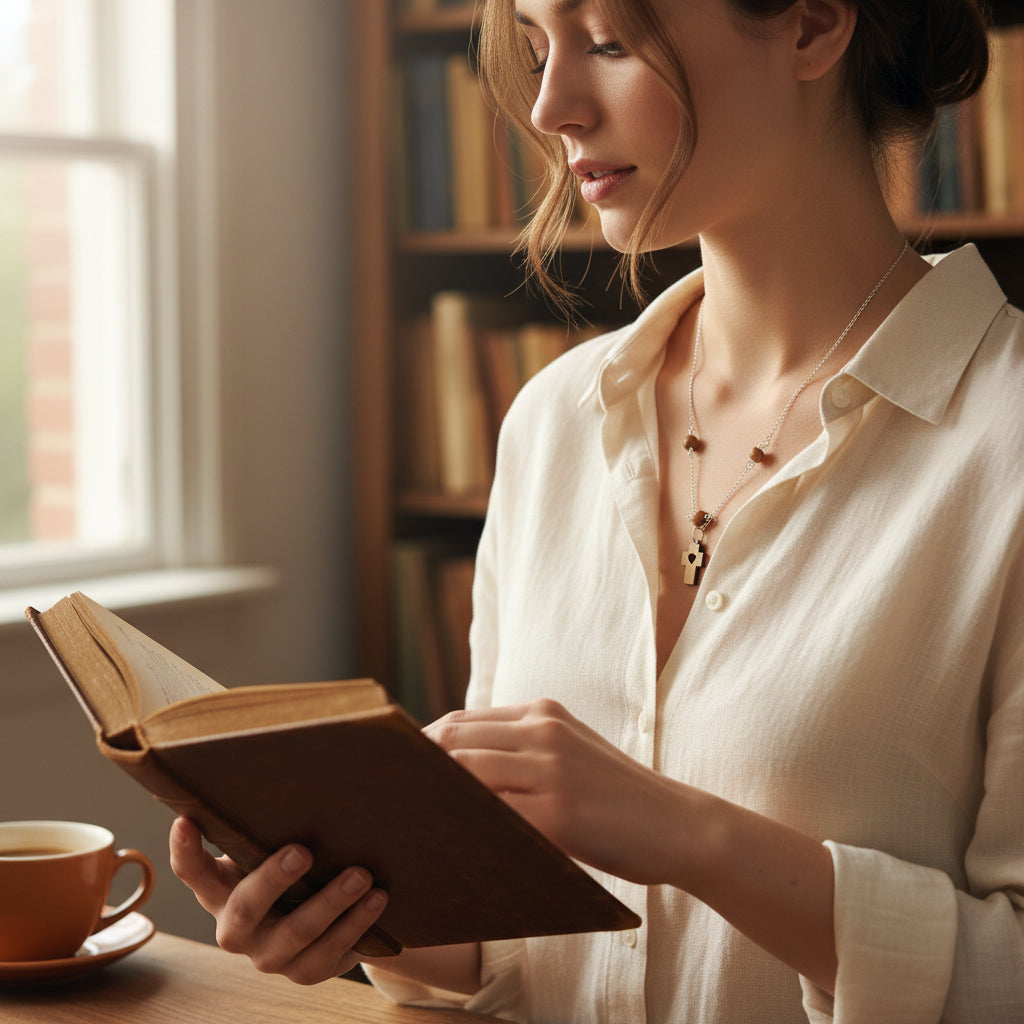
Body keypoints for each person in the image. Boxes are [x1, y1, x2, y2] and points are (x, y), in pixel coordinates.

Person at [171, 0, 1024, 1020]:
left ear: (809, 25)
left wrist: (687, 835)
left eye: (609, 43)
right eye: (536, 49)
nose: (550, 106)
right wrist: (363, 918)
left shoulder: (1000, 444)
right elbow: (519, 952)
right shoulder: (553, 422)